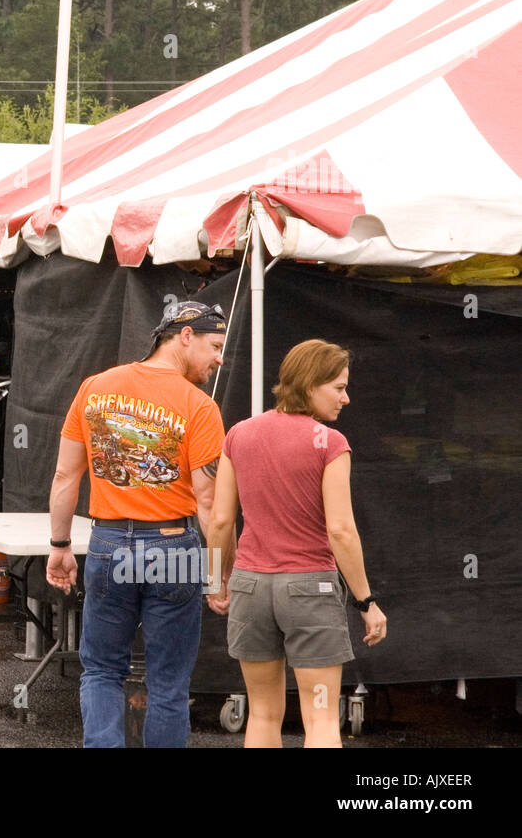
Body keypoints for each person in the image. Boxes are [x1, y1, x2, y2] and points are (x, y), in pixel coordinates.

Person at [48, 299, 227, 747]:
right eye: (215, 345)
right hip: (174, 546)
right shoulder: (199, 406)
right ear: (184, 336)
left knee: (103, 671)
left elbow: (66, 474)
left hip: (109, 543)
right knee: (168, 684)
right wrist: (221, 571)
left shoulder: (94, 388)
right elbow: (210, 503)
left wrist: (60, 544)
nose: (219, 358)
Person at [206, 339, 387, 748]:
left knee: (264, 715)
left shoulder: (239, 435)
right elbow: (341, 530)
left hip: (250, 587)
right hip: (309, 590)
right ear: (310, 385)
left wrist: (215, 582)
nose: (346, 397)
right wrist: (366, 602)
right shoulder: (330, 443)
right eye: (338, 387)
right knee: (321, 718)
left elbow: (220, 521)